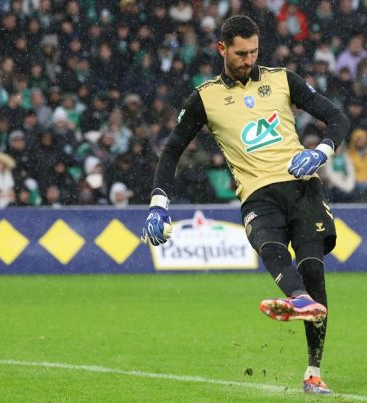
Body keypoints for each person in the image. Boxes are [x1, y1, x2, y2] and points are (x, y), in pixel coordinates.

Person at [140, 16, 349, 395]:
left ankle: (313, 371)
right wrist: (158, 202)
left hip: (302, 185)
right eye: (240, 53)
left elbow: (337, 116)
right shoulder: (205, 97)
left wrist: (321, 151)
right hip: (257, 192)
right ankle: (297, 298)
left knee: (314, 271)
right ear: (222, 49)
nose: (248, 59)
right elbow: (171, 151)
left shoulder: (282, 79)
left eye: (254, 52)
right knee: (269, 245)